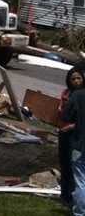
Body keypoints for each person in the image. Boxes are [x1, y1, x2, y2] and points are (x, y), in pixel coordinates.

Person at [60, 66, 85, 205]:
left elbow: (67, 116)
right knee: (67, 167)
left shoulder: (77, 96)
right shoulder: (67, 94)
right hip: (66, 136)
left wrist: (73, 125)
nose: (76, 81)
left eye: (78, 78)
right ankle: (67, 196)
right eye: (73, 79)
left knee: (79, 177)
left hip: (77, 140)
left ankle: (79, 208)